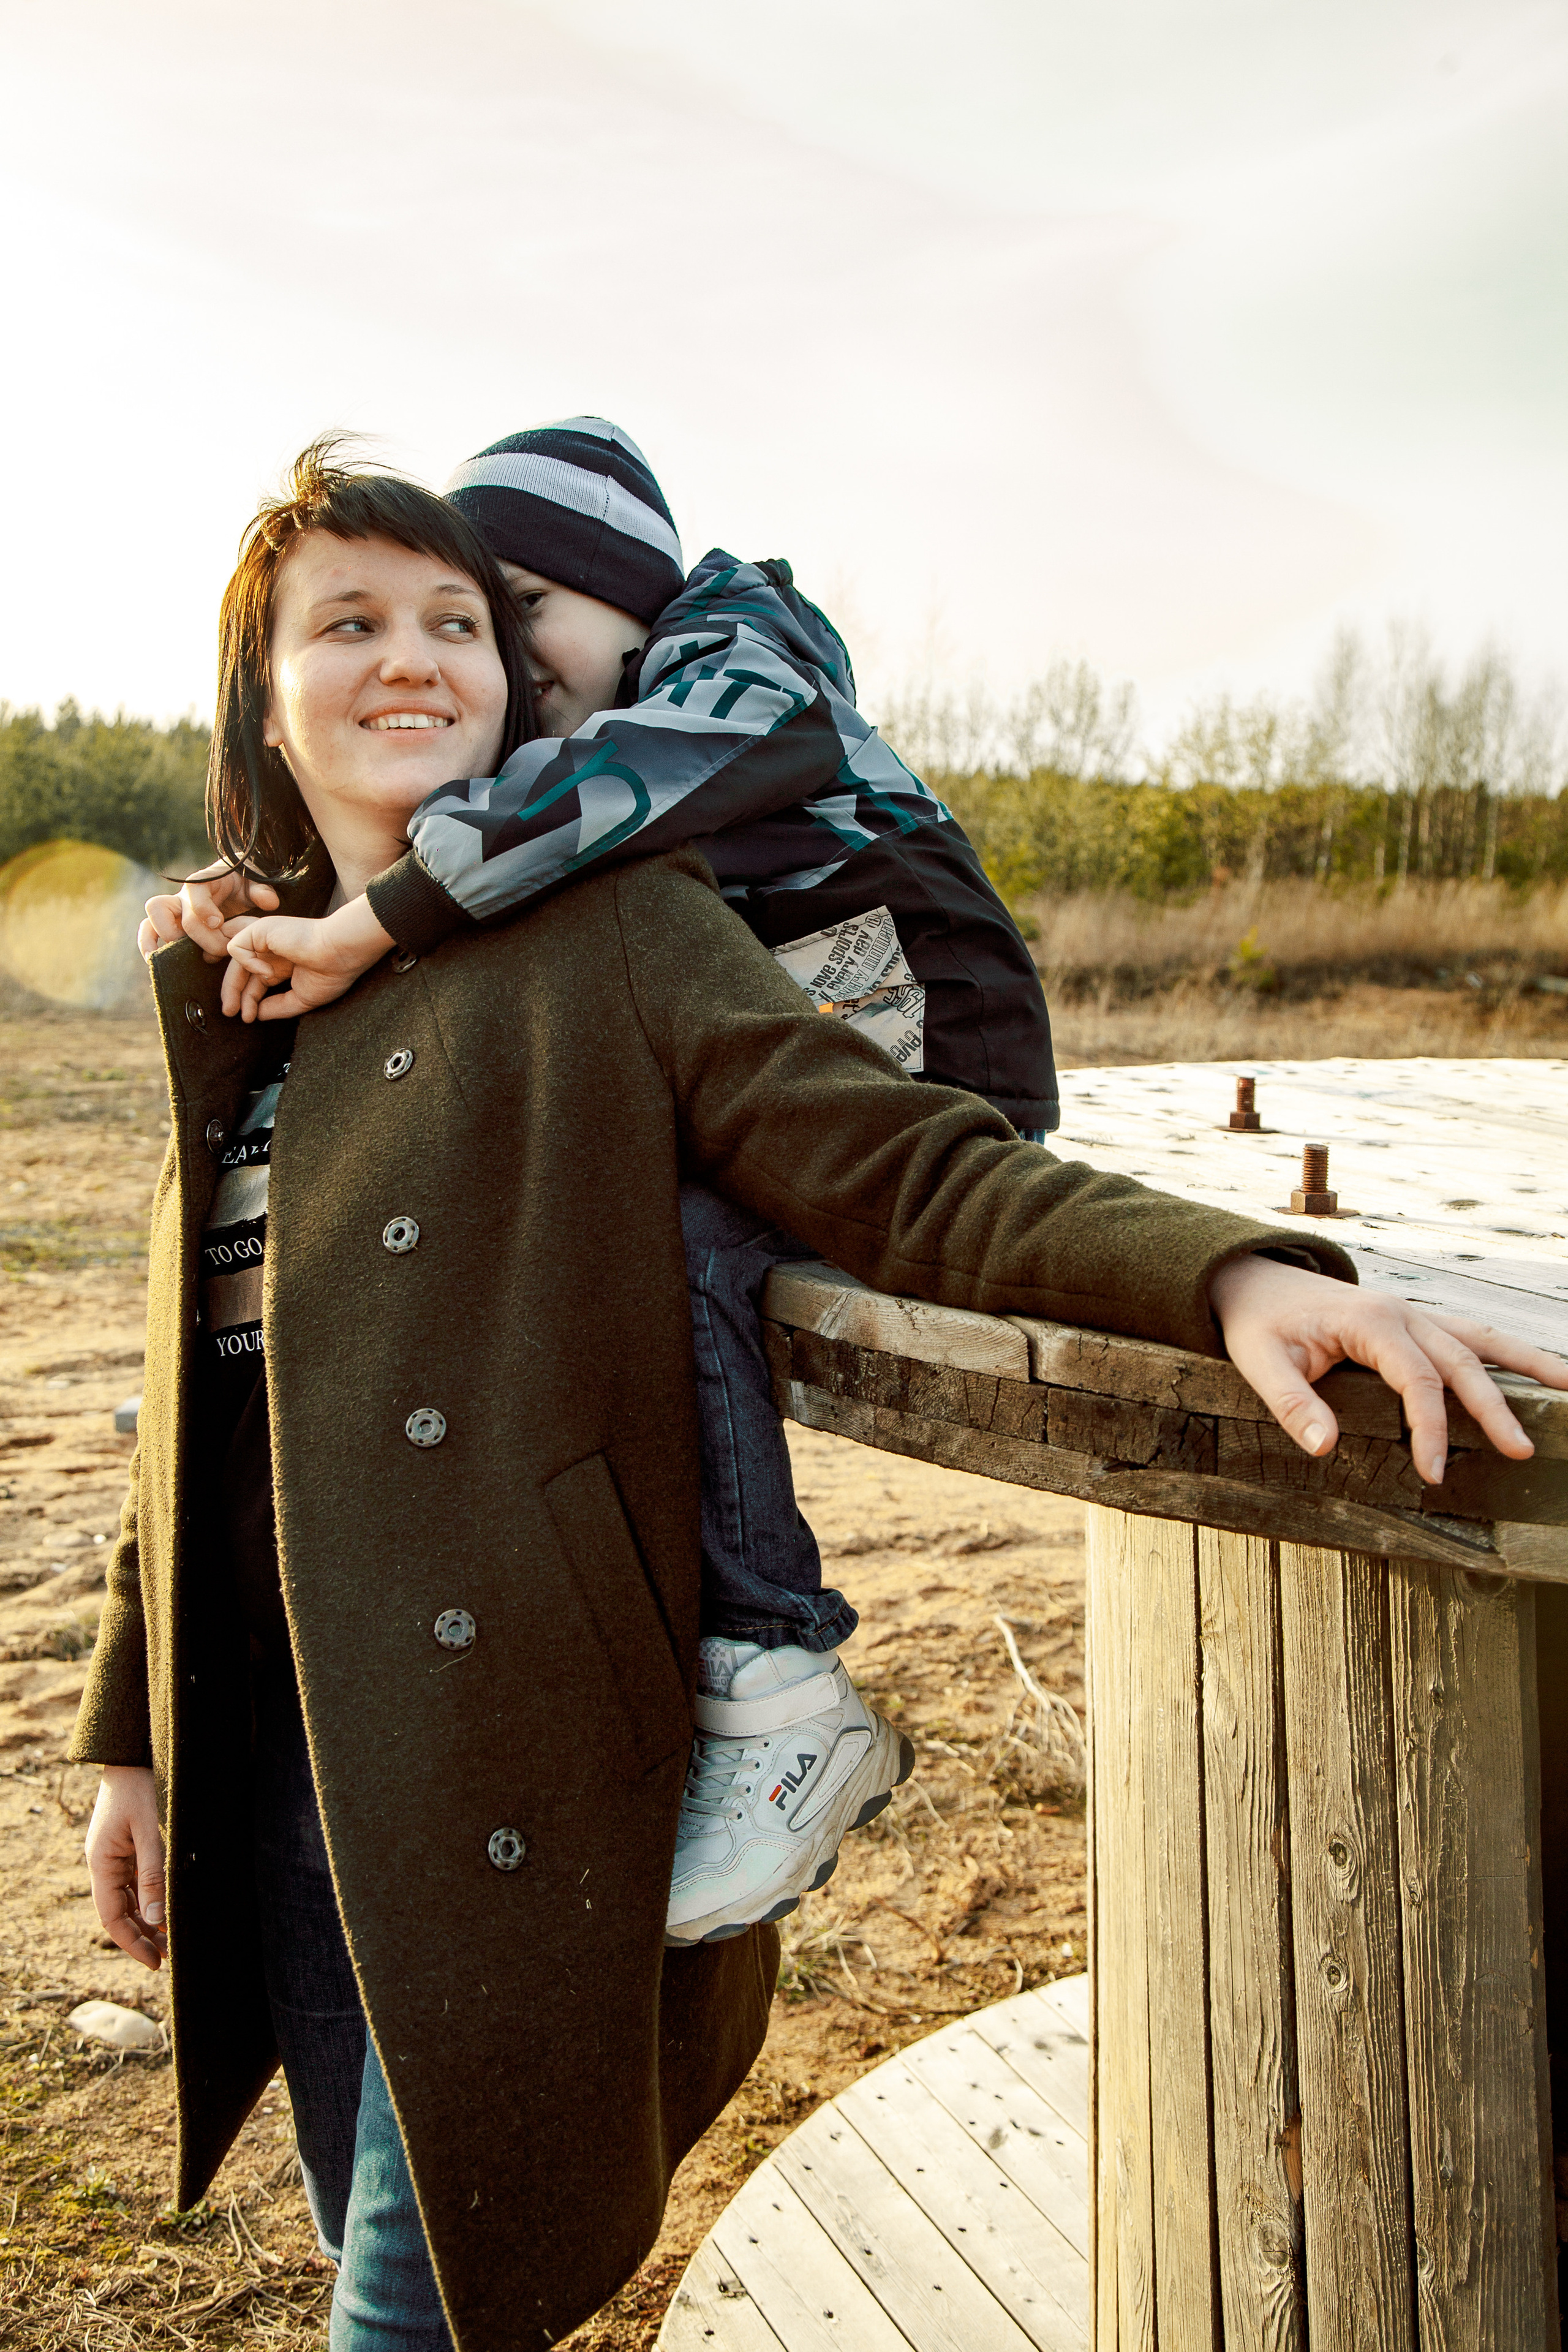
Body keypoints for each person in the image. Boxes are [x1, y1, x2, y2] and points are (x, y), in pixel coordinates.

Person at [99, 442, 1562, 2352]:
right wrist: (133, 1732)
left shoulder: (617, 926)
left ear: (519, 682)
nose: (415, 659)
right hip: (285, 1764)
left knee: (420, 2298)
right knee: (379, 2229)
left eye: (457, 620)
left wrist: (1228, 1273)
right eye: (349, 624)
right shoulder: (243, 996)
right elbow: (190, 1418)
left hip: (512, 1768)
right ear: (263, 700)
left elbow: (902, 1163)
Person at [142, 417, 1065, 1949]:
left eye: (510, 612)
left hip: (917, 1050)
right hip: (814, 1035)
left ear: (632, 595)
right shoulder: (616, 713)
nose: (504, 655)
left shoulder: (737, 658)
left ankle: (773, 1673)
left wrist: (377, 922)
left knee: (686, 1242)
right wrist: (281, 894)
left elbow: (593, 794)